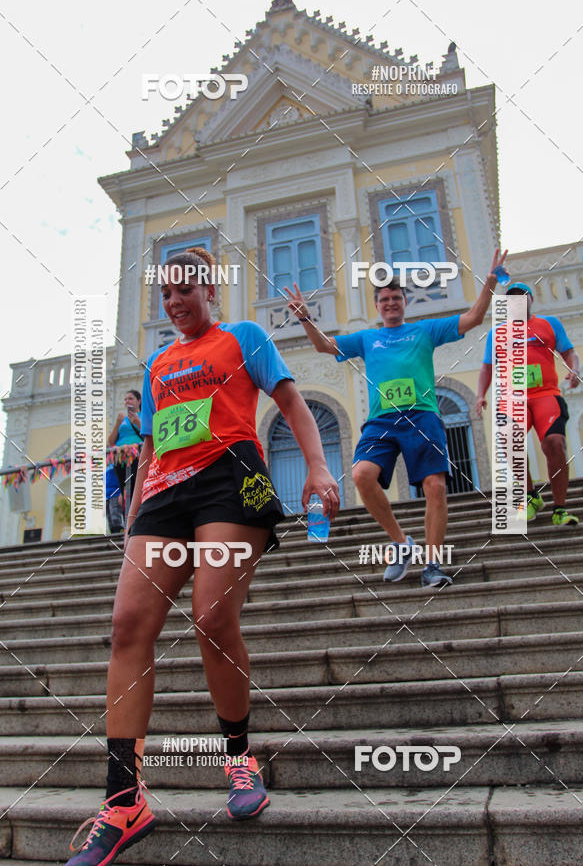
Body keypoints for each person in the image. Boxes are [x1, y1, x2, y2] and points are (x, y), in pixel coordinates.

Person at [65, 247, 339, 866]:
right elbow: (157, 445)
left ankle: (239, 759)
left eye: (185, 289)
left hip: (229, 480)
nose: (174, 301)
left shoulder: (244, 337)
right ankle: (124, 799)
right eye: (165, 294)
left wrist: (317, 466)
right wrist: (133, 517)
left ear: (210, 287)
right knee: (127, 626)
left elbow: (292, 403)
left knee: (212, 617)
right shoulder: (159, 362)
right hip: (164, 492)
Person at [286, 249, 507, 588]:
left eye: (396, 298)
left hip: (423, 416)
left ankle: (433, 565)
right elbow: (324, 346)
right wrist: (305, 318)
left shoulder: (426, 331)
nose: (390, 303)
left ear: (404, 302)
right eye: (385, 299)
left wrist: (490, 283)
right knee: (361, 475)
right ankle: (402, 543)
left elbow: (475, 317)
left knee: (435, 486)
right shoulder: (367, 338)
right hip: (382, 421)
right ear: (378, 305)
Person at [476, 281, 580, 525]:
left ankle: (560, 509)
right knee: (508, 440)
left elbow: (569, 352)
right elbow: (487, 367)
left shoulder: (549, 324)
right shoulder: (497, 333)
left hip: (546, 395)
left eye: (522, 297)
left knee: (555, 443)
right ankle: (531, 496)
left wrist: (574, 369)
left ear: (531, 299)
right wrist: (481, 394)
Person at [108, 390, 143, 512]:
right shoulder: (122, 419)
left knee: (135, 486)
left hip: (137, 456)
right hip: (120, 457)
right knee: (125, 487)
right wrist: (117, 423)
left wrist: (137, 422)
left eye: (131, 398)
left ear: (139, 401)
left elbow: (151, 436)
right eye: (125, 399)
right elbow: (110, 442)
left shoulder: (144, 415)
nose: (127, 401)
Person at [105, 465, 123, 534]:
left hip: (115, 493)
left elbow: (121, 480)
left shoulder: (114, 464)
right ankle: (113, 536)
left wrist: (121, 493)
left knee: (115, 516)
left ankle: (119, 534)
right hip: (106, 495)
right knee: (109, 519)